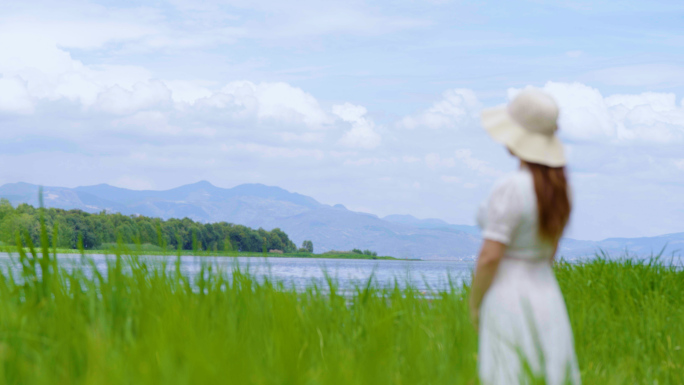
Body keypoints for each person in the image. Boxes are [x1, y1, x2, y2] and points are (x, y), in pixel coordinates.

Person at [469, 89, 581, 385]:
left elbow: (491, 255)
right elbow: (550, 250)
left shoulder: (511, 186)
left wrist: (475, 301)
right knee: (547, 372)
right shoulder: (559, 191)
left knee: (508, 373)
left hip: (509, 291)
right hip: (547, 290)